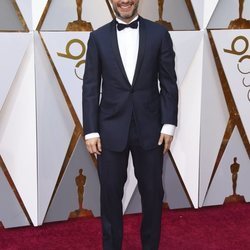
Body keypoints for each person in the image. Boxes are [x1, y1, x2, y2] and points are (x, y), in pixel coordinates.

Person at [82, 0, 178, 249]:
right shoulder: (98, 37)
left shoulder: (159, 34)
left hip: (151, 129)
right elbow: (91, 87)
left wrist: (168, 124)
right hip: (110, 129)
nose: (124, 0)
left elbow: (168, 83)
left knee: (153, 195)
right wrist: (91, 130)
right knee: (110, 196)